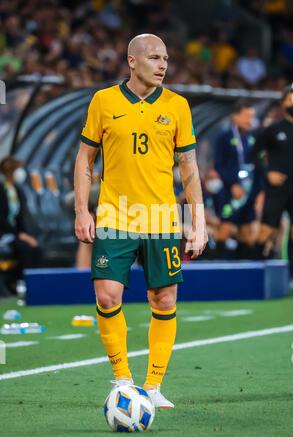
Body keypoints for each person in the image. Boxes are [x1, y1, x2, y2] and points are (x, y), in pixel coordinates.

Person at [74, 33, 207, 408]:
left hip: (162, 217)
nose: (163, 64)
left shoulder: (178, 105)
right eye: (154, 57)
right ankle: (121, 379)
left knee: (163, 300)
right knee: (107, 294)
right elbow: (84, 159)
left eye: (165, 57)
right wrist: (82, 210)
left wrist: (198, 221)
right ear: (132, 61)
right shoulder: (104, 101)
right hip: (116, 215)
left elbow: (189, 168)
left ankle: (152, 386)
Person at [250, 85, 293, 293]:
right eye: (290, 100)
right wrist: (268, 172)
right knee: (265, 233)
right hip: (276, 191)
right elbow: (254, 155)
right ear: (283, 103)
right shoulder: (272, 129)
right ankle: (252, 278)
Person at [212, 99, 264, 259]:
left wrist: (259, 192)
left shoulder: (254, 138)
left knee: (247, 233)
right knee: (225, 229)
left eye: (252, 117)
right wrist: (232, 184)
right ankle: (218, 269)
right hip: (230, 193)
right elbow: (219, 165)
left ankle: (243, 273)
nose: (251, 121)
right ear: (236, 117)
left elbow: (259, 166)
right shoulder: (224, 137)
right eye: (247, 116)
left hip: (249, 193)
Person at [0, 157, 40, 292]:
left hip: (14, 233)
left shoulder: (16, 189)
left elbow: (20, 217)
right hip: (4, 233)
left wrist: (26, 234)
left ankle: (32, 283)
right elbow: (2, 219)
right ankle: (20, 282)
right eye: (18, 169)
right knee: (25, 248)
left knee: (35, 248)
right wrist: (20, 235)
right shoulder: (1, 189)